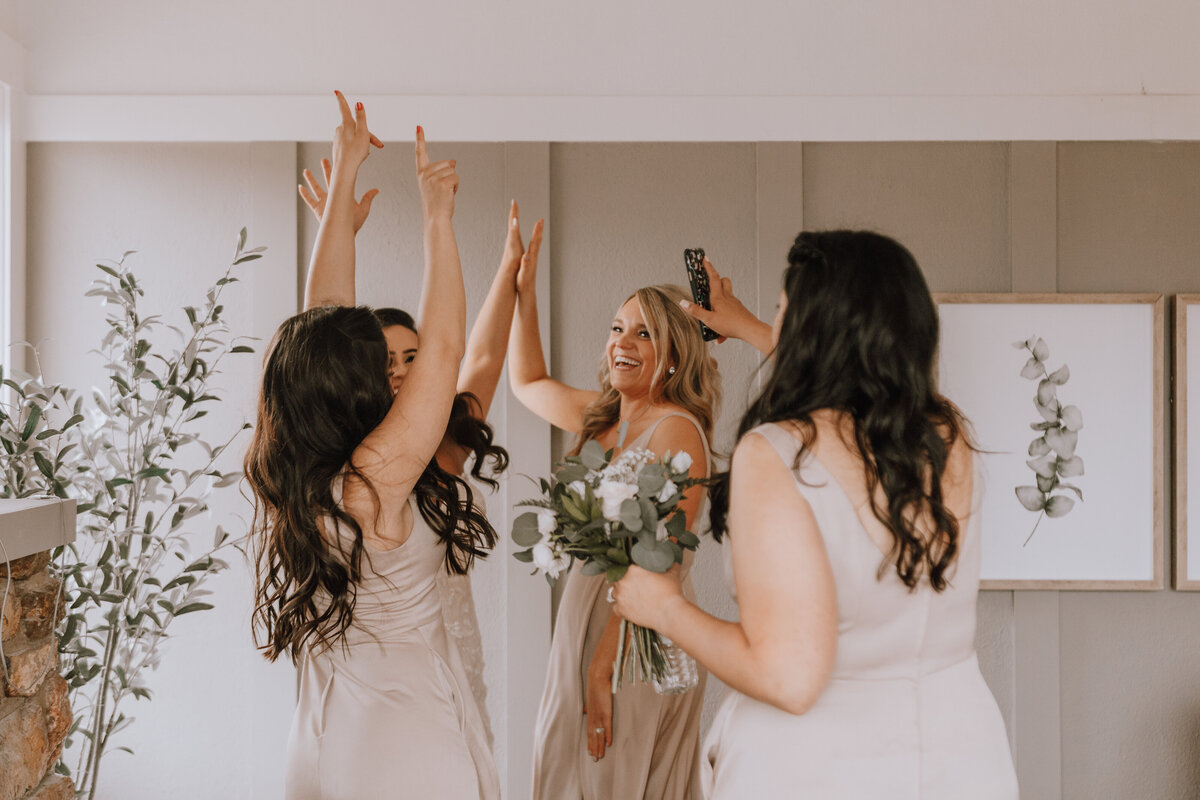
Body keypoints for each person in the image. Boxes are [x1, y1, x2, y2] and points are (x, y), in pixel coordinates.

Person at [613, 234, 1019, 799]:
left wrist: (663, 607)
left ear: (810, 331)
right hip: (961, 757)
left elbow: (788, 679)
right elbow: (852, 376)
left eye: (783, 312)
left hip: (819, 767)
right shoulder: (945, 439)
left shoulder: (778, 454)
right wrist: (746, 324)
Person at [245, 93, 498, 799]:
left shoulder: (303, 461)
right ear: (355, 391)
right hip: (404, 748)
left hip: (330, 734)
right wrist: (439, 219)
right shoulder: (373, 479)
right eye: (378, 367)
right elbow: (444, 349)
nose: (393, 374)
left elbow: (318, 325)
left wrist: (345, 187)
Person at [299, 155, 545, 744]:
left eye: (414, 357)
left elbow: (479, 359)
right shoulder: (351, 455)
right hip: (376, 659)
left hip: (452, 637)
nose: (406, 371)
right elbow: (324, 330)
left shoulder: (446, 435)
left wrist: (510, 276)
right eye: (387, 363)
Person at [509, 239, 721, 798]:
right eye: (616, 328)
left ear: (673, 353)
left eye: (643, 333)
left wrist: (604, 667)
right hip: (582, 621)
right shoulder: (601, 415)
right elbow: (527, 382)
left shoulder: (678, 428)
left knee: (614, 779)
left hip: (637, 639)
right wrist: (524, 293)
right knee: (567, 766)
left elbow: (663, 563)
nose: (621, 343)